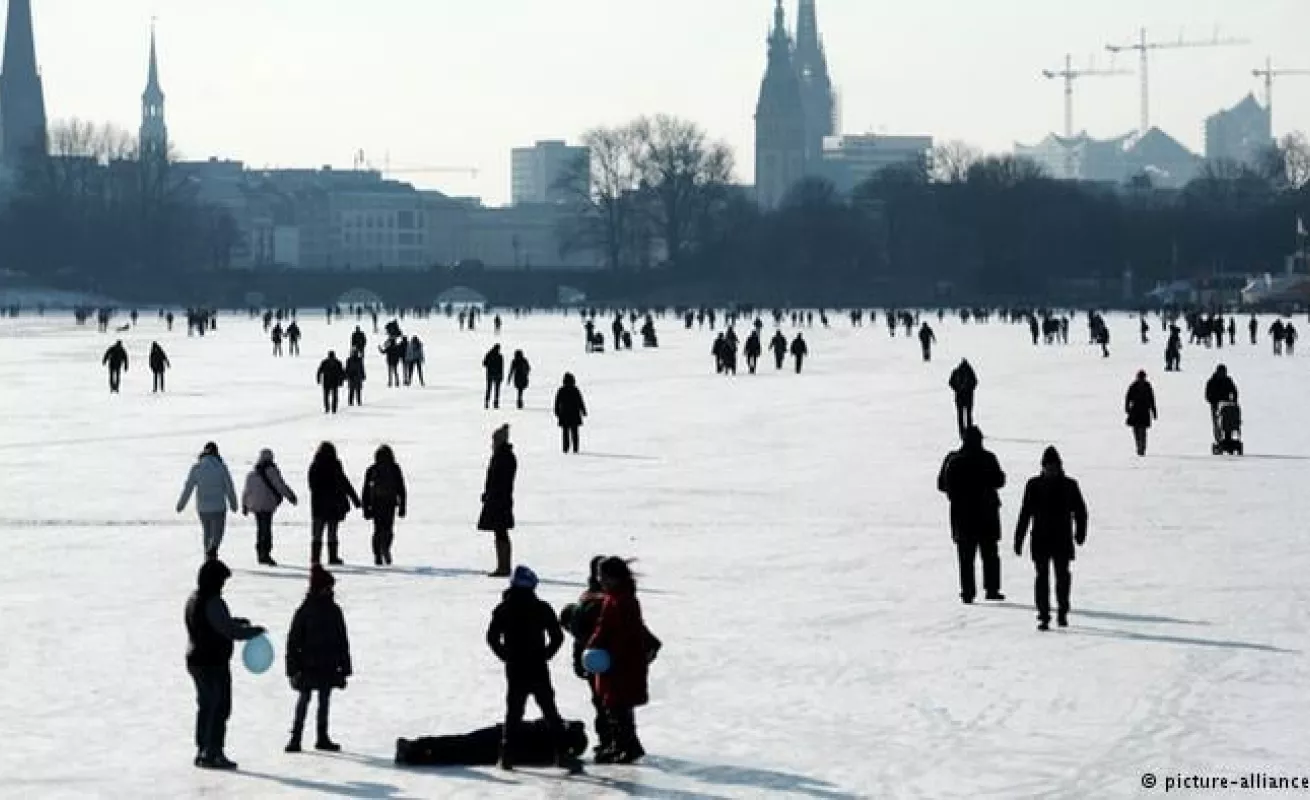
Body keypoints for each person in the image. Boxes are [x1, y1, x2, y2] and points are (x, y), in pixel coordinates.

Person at [485, 566, 583, 773]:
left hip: (516, 667)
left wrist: (505, 655)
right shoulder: (541, 607)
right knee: (549, 710)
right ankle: (562, 754)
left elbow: (492, 638)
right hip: (537, 666)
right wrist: (546, 654)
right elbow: (557, 636)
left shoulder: (503, 609)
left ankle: (507, 756)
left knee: (514, 712)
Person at [185, 559, 265, 769]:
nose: (223, 585)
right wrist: (252, 632)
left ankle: (203, 749)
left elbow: (218, 624)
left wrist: (236, 622)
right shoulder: (212, 601)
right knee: (218, 707)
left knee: (206, 706)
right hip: (211, 662)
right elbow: (228, 630)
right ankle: (213, 752)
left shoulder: (194, 598)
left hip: (197, 659)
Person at [587, 557, 659, 764]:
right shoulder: (615, 598)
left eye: (603, 576)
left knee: (618, 705)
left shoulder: (623, 601)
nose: (600, 580)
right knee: (615, 705)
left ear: (614, 577)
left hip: (623, 662)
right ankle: (623, 745)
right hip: (616, 660)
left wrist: (605, 650)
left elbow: (622, 632)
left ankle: (628, 747)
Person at [1013, 447, 1088, 631]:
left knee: (1062, 577)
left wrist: (1080, 533)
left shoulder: (1070, 485)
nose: (1051, 470)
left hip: (1062, 538)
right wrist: (1018, 538)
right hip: (1040, 539)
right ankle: (1044, 614)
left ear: (1060, 466)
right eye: (1048, 466)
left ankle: (1062, 610)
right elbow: (1025, 513)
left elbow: (1080, 511)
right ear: (1043, 467)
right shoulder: (1034, 485)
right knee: (1042, 578)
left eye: (1054, 466)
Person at [285, 565, 352, 753]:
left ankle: (322, 736)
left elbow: (342, 640)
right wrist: (293, 670)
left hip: (328, 665)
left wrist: (344, 668)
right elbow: (293, 642)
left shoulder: (334, 611)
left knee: (324, 700)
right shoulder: (305, 611)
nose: (331, 591)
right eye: (328, 587)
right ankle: (296, 737)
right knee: (304, 699)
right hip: (308, 665)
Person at [936, 426, 1006, 605]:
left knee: (966, 557)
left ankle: (968, 592)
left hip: (962, 516)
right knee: (990, 554)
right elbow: (999, 480)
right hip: (986, 515)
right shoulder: (988, 458)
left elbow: (941, 485)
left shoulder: (953, 459)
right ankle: (992, 589)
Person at [559, 556, 612, 756]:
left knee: (610, 702)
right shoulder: (591, 600)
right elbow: (579, 635)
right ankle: (609, 740)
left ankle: (614, 740)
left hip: (605, 658)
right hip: (598, 660)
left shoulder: (604, 598)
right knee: (604, 701)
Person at [396, 720, 588, 768]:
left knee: (458, 745)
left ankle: (414, 749)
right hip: (498, 746)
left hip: (498, 738)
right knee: (457, 751)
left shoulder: (549, 730)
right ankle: (413, 752)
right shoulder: (550, 745)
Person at [177, 442, 239, 560]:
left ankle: (208, 554)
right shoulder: (221, 467)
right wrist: (233, 504)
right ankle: (213, 549)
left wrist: (181, 504)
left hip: (202, 507)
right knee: (218, 532)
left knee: (207, 531)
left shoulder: (197, 468)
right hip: (218, 506)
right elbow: (229, 487)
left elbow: (188, 487)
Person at [241, 449, 298, 566]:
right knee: (266, 529)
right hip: (267, 504)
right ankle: (265, 554)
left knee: (260, 529)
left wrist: (245, 505)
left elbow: (246, 491)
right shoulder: (272, 471)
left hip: (255, 505)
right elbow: (280, 485)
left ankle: (260, 552)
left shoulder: (252, 473)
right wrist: (290, 496)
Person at [308, 442, 361, 566]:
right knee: (332, 532)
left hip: (318, 504)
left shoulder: (315, 465)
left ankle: (315, 558)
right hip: (334, 504)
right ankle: (333, 557)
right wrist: (355, 500)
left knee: (317, 533)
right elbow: (344, 482)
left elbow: (312, 485)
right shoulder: (335, 465)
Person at [478, 425, 517, 577]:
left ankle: (504, 566)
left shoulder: (504, 456)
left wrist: (491, 494)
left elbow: (500, 480)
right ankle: (502, 564)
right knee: (499, 531)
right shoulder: (502, 455)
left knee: (501, 531)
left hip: (500, 500)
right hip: (498, 498)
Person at [361, 445, 407, 566]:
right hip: (390, 503)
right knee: (388, 529)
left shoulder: (372, 469)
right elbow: (401, 488)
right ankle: (385, 547)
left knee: (377, 529)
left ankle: (377, 554)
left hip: (376, 503)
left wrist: (365, 508)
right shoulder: (395, 468)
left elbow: (365, 490)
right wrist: (402, 506)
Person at [1124, 370, 1158, 457]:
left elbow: (1151, 399)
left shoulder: (1147, 386)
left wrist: (1154, 411)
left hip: (1144, 412)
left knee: (1142, 432)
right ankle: (1139, 447)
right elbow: (1128, 397)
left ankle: (1141, 449)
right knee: (1136, 432)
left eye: (1142, 377)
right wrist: (1127, 408)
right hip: (1135, 411)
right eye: (1140, 377)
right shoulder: (1133, 386)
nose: (1141, 379)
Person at [554, 373, 588, 454]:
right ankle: (575, 448)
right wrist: (583, 411)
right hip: (574, 414)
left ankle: (565, 448)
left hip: (564, 414)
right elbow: (580, 401)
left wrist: (557, 412)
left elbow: (557, 402)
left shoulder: (561, 390)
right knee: (575, 432)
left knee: (565, 433)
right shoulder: (575, 389)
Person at [1204, 365, 1239, 443]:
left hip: (1226, 404)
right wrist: (1212, 401)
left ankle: (1228, 437)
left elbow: (1234, 390)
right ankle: (1218, 439)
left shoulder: (1228, 380)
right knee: (1217, 423)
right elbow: (1207, 394)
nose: (1223, 374)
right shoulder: (1212, 381)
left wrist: (1234, 400)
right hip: (1215, 405)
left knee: (1229, 421)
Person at [948, 359, 978, 436]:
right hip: (968, 397)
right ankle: (969, 431)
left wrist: (957, 389)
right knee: (968, 415)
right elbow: (975, 382)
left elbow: (950, 382)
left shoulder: (956, 371)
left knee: (960, 415)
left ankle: (961, 432)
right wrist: (970, 389)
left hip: (959, 397)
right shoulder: (970, 371)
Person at [483, 344, 505, 409]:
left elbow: (484, 363)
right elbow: (501, 367)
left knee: (489, 389)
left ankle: (487, 402)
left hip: (490, 374)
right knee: (497, 390)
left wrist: (489, 366)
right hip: (497, 375)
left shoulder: (489, 354)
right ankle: (496, 403)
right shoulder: (500, 356)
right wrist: (501, 375)